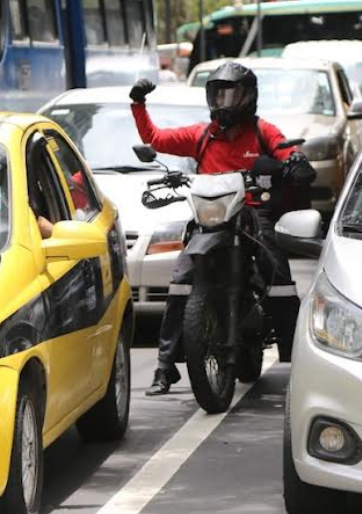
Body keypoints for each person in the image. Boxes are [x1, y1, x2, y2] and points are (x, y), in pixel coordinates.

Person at [130, 61, 316, 395]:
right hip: (209, 218)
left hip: (252, 214)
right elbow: (155, 138)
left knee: (277, 269)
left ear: (249, 97)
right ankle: (165, 367)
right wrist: (138, 104)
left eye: (231, 94)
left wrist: (293, 161)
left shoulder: (262, 131)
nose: (223, 102)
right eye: (217, 94)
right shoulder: (202, 136)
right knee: (179, 282)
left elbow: (288, 150)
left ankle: (298, 356)